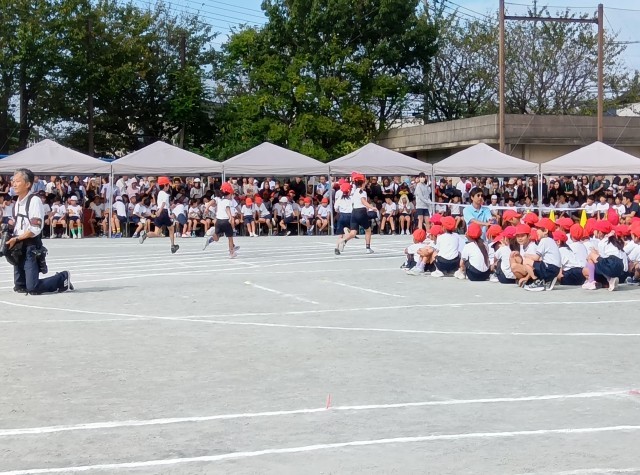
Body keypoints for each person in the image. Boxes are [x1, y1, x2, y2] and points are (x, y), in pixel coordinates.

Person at [3, 168, 73, 294]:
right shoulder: (17, 201)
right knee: (20, 286)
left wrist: (16, 238)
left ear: (28, 184)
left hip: (30, 246)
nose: (14, 184)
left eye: (17, 181)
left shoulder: (34, 201)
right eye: (13, 181)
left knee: (33, 288)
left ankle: (62, 278)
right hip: (18, 247)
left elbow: (35, 229)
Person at [335, 173, 377, 255]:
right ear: (363, 183)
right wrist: (371, 207)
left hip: (354, 212)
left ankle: (343, 240)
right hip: (361, 212)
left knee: (353, 232)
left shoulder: (354, 191)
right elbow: (363, 201)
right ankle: (368, 248)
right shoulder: (362, 192)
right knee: (368, 230)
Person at [139, 176, 179, 254]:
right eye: (168, 185)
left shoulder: (159, 193)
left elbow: (163, 204)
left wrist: (168, 208)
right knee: (171, 229)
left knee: (156, 232)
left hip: (159, 212)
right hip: (163, 213)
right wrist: (160, 211)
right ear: (165, 185)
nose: (169, 186)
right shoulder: (166, 194)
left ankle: (145, 235)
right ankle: (172, 245)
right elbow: (163, 204)